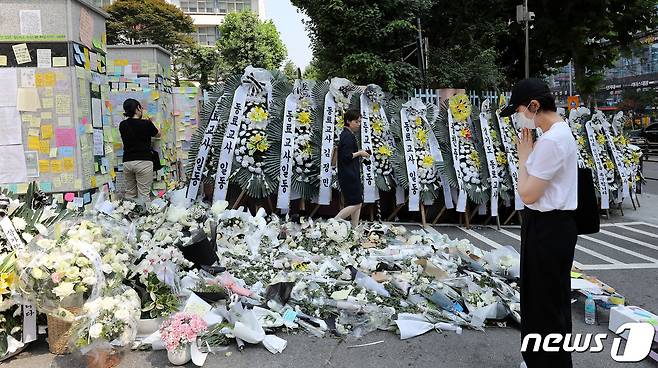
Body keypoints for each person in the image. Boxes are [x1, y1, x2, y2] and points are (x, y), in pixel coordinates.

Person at [499, 78, 578, 368]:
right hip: (550, 226)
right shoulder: (555, 134)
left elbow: (528, 193)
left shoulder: (553, 141)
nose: (520, 119)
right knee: (543, 298)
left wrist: (523, 159)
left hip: (548, 227)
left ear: (534, 106)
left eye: (519, 111)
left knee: (545, 302)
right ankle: (538, 360)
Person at [119, 98, 160, 201]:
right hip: (144, 161)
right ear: (137, 108)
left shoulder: (123, 125)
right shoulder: (146, 124)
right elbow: (158, 134)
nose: (142, 110)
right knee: (143, 194)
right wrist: (152, 122)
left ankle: (129, 215)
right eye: (141, 108)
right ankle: (143, 216)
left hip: (127, 162)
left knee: (130, 194)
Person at [335, 110, 370, 227]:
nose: (359, 124)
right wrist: (360, 153)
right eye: (356, 121)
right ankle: (333, 222)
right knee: (356, 204)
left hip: (350, 173)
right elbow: (346, 157)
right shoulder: (347, 137)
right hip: (349, 174)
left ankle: (354, 228)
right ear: (348, 121)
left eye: (360, 121)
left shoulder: (347, 135)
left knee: (357, 202)